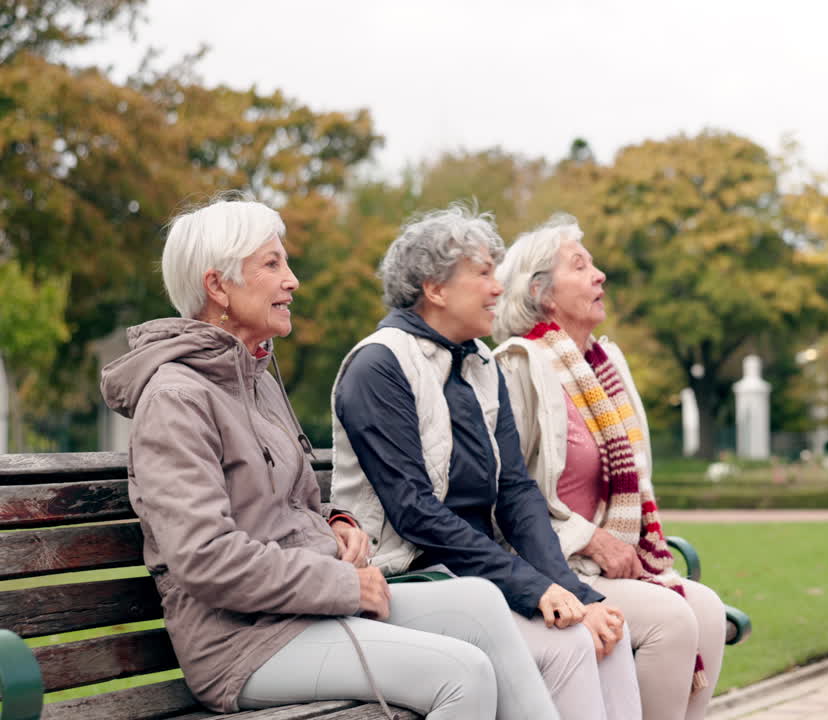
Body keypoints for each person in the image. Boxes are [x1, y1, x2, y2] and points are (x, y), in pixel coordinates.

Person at [101, 196, 559, 719]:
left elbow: (282, 508)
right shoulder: (176, 399)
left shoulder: (256, 380)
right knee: (462, 674)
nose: (292, 280)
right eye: (272, 264)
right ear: (217, 286)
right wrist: (343, 584)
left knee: (480, 602)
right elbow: (206, 558)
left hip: (303, 611)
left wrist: (335, 526)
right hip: (243, 645)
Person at [330, 203, 642, 720]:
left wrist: (572, 590)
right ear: (435, 288)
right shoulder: (379, 366)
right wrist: (532, 587)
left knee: (606, 626)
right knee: (567, 646)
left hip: (477, 575)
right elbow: (414, 513)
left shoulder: (477, 364)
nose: (498, 287)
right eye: (482, 273)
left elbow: (517, 493)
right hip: (408, 579)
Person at [492, 214, 727, 720]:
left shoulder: (606, 367)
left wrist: (620, 546)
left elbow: (637, 483)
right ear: (543, 293)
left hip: (612, 565)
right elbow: (508, 496)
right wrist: (589, 539)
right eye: (581, 266)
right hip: (553, 568)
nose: (599, 275)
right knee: (672, 619)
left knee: (706, 607)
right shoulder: (517, 367)